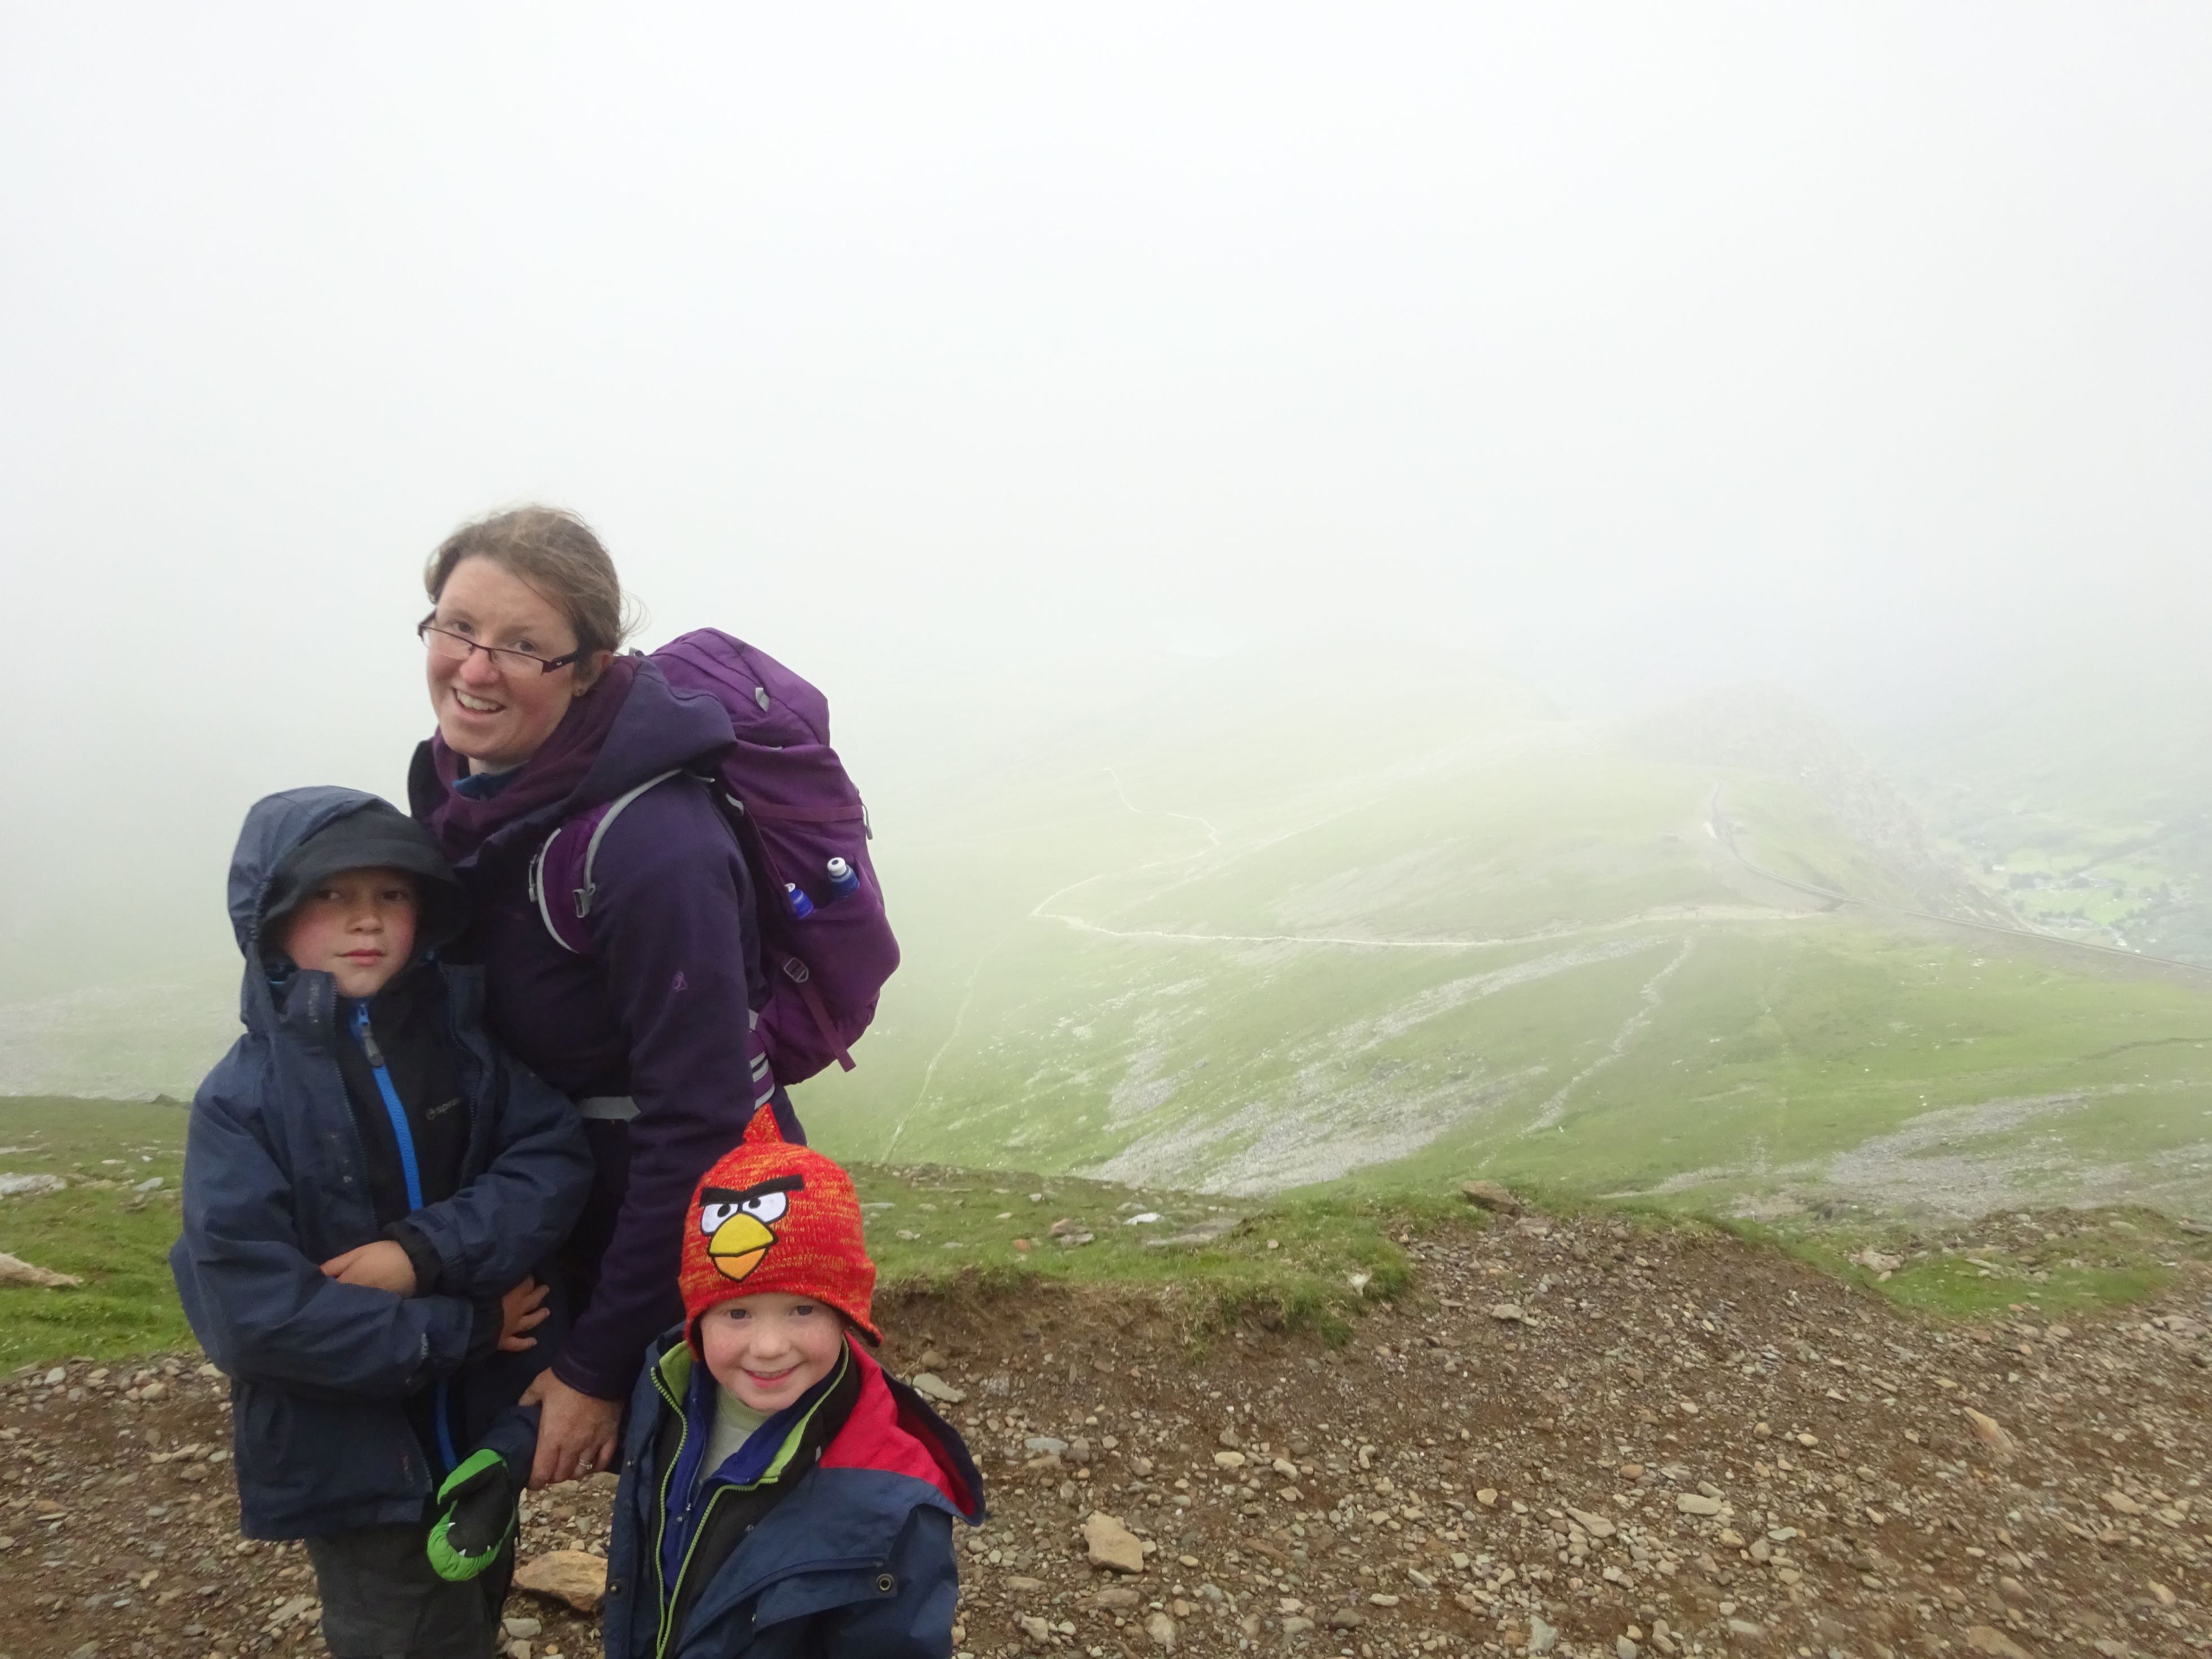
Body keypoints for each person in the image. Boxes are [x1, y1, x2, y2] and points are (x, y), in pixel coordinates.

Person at [406, 505, 791, 1487]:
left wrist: (599, 1361)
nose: (475, 667)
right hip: (566, 1206)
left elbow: (696, 1121)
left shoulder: (655, 848)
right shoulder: (458, 776)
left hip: (705, 1235)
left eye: (522, 645)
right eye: (457, 626)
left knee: (718, 1518)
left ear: (588, 668)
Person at [171, 788, 595, 1659]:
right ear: (270, 918)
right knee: (406, 1633)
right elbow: (254, 1317)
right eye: (330, 893)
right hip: (355, 1456)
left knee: (474, 1599)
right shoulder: (242, 1102)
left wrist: (421, 1253)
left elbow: (551, 1158)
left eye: (392, 894)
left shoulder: (465, 1049)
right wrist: (466, 1325)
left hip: (477, 1430)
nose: (365, 918)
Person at [429, 1110, 983, 1656]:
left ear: (848, 1314)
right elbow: (592, 1426)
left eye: (802, 1310)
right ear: (697, 1319)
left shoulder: (892, 1504)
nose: (768, 1346)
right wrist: (509, 1455)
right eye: (736, 1313)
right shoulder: (667, 1386)